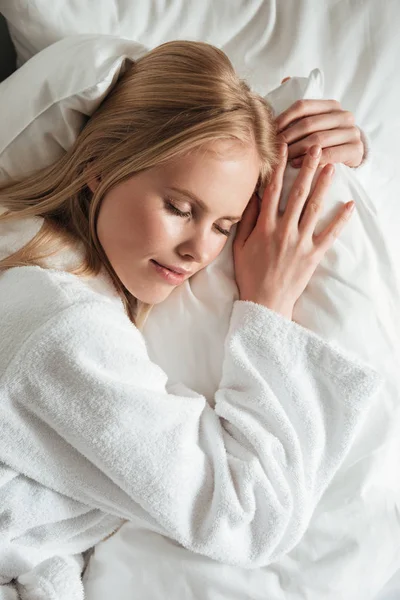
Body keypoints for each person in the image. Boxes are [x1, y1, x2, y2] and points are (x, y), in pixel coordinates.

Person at [0, 40, 380, 599]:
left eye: (225, 226)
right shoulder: (64, 333)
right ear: (99, 168)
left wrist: (328, 157)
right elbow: (247, 518)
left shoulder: (28, 247)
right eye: (180, 209)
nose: (198, 251)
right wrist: (268, 308)